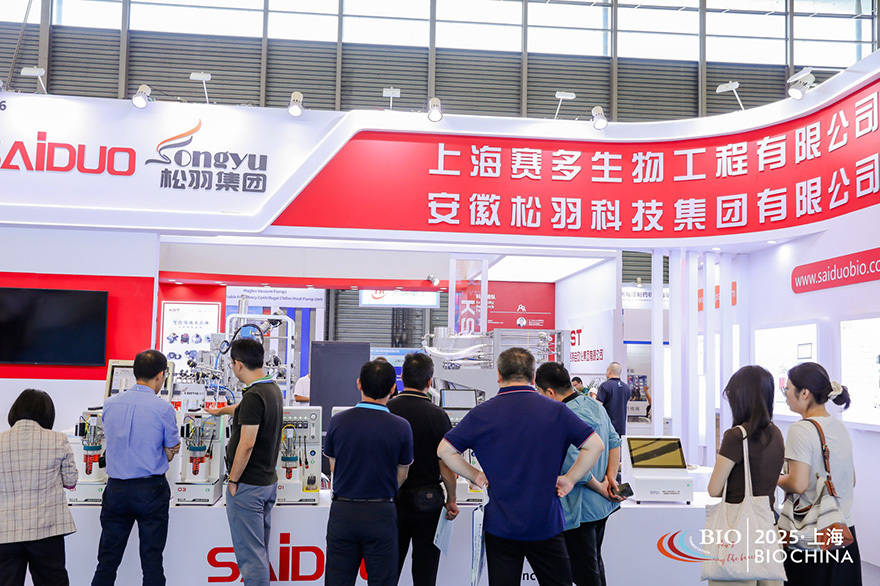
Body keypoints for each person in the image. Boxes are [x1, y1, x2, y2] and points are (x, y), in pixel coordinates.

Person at [438, 347, 605, 586]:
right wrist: (569, 479)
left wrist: (475, 475)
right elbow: (595, 445)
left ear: (498, 375)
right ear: (533, 376)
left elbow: (444, 451)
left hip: (501, 525)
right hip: (545, 522)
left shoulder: (481, 414)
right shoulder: (557, 411)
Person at [92, 350, 180, 586]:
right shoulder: (163, 409)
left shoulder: (110, 404)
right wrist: (163, 453)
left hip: (116, 490)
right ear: (161, 375)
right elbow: (172, 447)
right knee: (152, 562)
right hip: (151, 490)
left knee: (107, 561)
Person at [324, 359, 414, 586]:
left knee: (337, 580)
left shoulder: (338, 421)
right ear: (393, 388)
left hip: (343, 511)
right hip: (381, 512)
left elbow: (333, 467)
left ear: (359, 384)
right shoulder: (401, 426)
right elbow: (402, 474)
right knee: (382, 580)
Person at [536, 362, 624, 586]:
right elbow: (614, 441)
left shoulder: (561, 416)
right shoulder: (594, 405)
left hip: (579, 509)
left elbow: (575, 464)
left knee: (585, 572)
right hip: (601, 507)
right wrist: (610, 478)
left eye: (539, 392)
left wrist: (600, 487)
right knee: (594, 564)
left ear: (549, 392)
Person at [777, 362, 861, 586]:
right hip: (843, 532)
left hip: (812, 537)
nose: (786, 394)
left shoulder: (800, 429)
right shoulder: (839, 427)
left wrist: (774, 478)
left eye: (788, 388)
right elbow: (851, 479)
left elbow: (798, 484)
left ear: (804, 393)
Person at [210, 338, 284, 586]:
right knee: (258, 552)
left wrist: (233, 479)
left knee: (251, 558)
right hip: (265, 482)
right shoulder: (270, 389)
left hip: (248, 486)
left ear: (238, 364)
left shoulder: (254, 395)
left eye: (232, 364)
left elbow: (247, 443)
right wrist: (220, 411)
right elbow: (244, 410)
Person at [706, 365, 785, 586]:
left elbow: (714, 489)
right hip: (768, 529)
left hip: (738, 533)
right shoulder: (776, 433)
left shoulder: (736, 436)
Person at [387, 353, 458, 586]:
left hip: (392, 500)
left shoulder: (387, 411)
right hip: (428, 501)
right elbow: (446, 465)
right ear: (429, 381)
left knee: (388, 572)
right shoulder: (439, 416)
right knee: (425, 573)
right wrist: (452, 499)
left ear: (402, 378)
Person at [0, 389, 77, 586]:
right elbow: (70, 480)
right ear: (47, 414)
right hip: (46, 530)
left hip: (5, 531)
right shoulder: (58, 439)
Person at [596, 362, 630, 437]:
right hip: (621, 428)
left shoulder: (605, 386)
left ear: (609, 372)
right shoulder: (626, 388)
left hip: (607, 428)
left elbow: (598, 407)